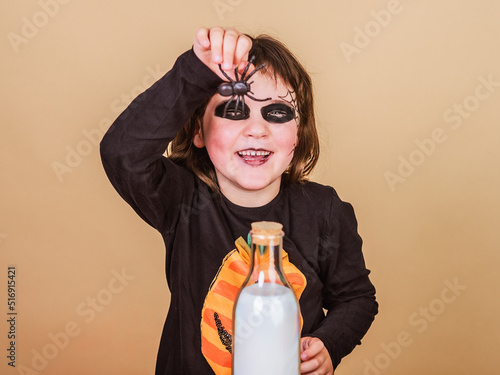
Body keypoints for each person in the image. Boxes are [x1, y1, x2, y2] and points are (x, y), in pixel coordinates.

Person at [100, 26, 378, 375]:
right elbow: (122, 153)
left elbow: (356, 298)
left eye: (277, 113)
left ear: (299, 132)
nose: (256, 129)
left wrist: (328, 344)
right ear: (198, 131)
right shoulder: (182, 201)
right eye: (233, 111)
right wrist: (194, 72)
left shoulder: (324, 210)